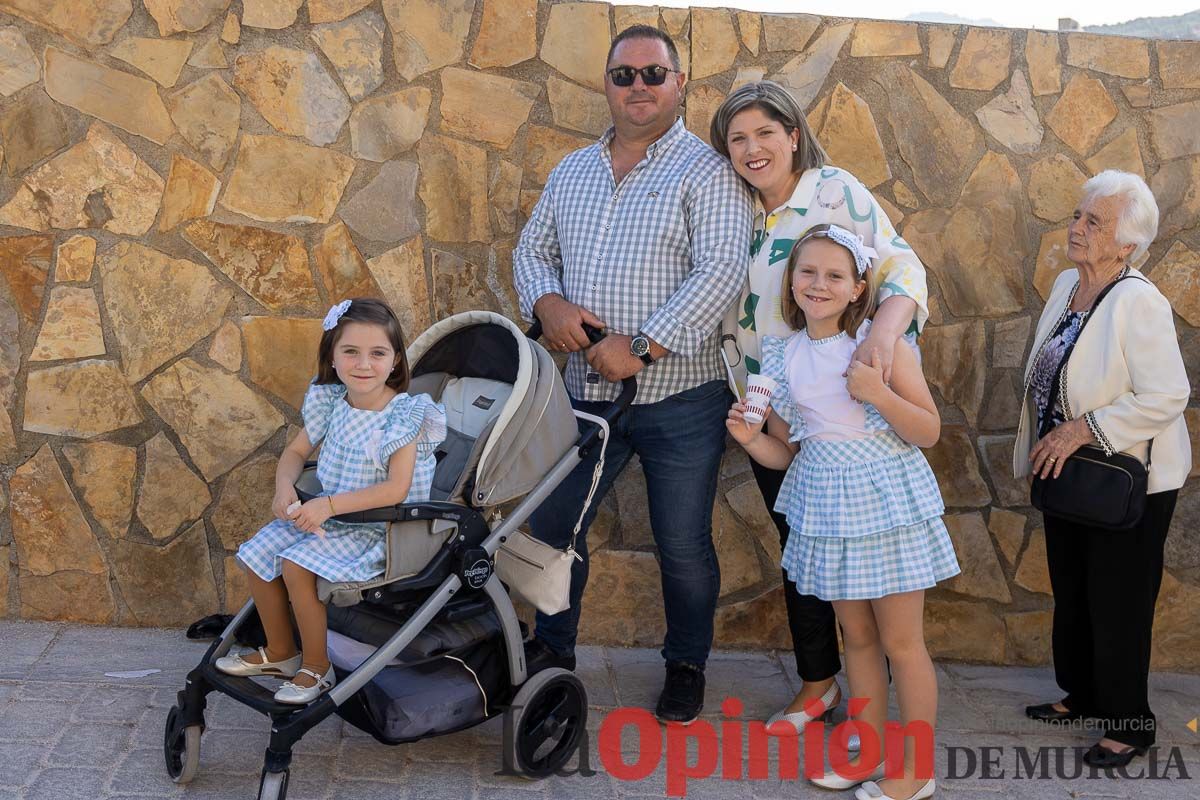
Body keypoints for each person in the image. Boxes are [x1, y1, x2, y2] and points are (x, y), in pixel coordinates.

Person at [512, 24, 752, 723]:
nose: (638, 86)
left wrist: (642, 346)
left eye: (654, 74)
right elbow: (533, 249)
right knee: (556, 531)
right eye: (624, 75)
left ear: (680, 84)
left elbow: (721, 273)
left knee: (682, 544)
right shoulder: (572, 171)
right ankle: (552, 656)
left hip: (681, 396)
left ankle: (686, 665)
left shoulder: (707, 171)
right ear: (606, 84)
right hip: (586, 397)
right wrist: (547, 301)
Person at [709, 80, 930, 731]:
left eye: (764, 134)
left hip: (854, 416)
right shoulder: (735, 212)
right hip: (773, 407)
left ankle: (881, 696)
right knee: (802, 553)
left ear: (793, 135)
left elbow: (899, 266)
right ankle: (819, 684)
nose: (752, 149)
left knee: (864, 564)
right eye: (737, 139)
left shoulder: (834, 190)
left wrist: (885, 334)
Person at [728, 225, 957, 800]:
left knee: (902, 641)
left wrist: (877, 393)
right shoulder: (782, 357)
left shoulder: (883, 349)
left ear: (859, 289)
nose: (819, 284)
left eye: (835, 275)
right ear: (791, 280)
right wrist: (752, 439)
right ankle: (869, 752)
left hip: (885, 502)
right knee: (855, 636)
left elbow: (928, 430)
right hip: (827, 503)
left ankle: (917, 771)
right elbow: (790, 450)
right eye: (808, 272)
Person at [1015, 171, 1190, 768]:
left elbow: (1168, 394)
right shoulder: (1069, 282)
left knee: (1118, 602)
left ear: (1127, 244)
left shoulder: (1140, 300)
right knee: (1075, 590)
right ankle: (1084, 694)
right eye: (1078, 215)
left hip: (1125, 480)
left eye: (1095, 222)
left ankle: (1129, 725)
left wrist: (1083, 428)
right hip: (1070, 472)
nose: (1078, 228)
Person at [216, 298, 447, 705]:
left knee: (294, 563)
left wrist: (329, 505)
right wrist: (283, 486)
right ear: (333, 358)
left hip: (381, 529)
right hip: (333, 519)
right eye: (350, 352)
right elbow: (293, 454)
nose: (363, 364)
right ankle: (282, 653)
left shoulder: (403, 417)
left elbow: (396, 488)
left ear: (395, 361)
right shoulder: (333, 405)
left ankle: (317, 668)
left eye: (377, 353)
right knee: (258, 553)